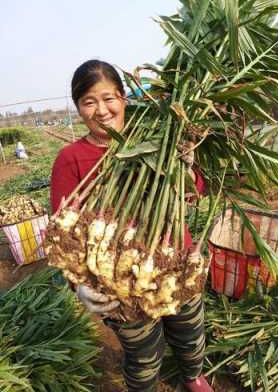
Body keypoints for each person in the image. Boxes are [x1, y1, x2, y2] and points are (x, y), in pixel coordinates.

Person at [50, 59, 213, 392]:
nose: (101, 110)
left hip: (175, 261)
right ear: (78, 108)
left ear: (123, 98)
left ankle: (193, 376)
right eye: (88, 101)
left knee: (190, 331)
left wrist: (189, 169)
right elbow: (63, 236)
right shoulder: (71, 158)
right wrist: (78, 284)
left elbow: (194, 192)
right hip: (116, 281)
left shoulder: (161, 140)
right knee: (142, 354)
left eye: (109, 97)